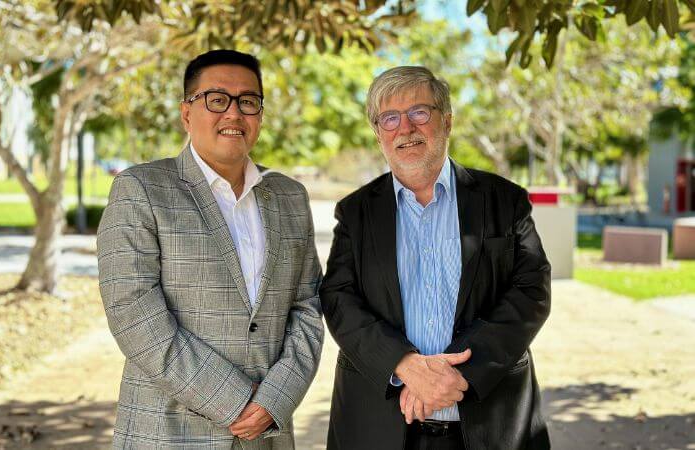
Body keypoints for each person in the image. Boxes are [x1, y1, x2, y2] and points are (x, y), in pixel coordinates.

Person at [97, 49, 324, 449]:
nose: (234, 114)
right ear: (187, 113)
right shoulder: (141, 189)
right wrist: (235, 402)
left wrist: (275, 399)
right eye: (217, 99)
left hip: (268, 433)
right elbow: (133, 314)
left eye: (248, 101)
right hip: (168, 433)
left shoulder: (290, 196)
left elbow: (307, 306)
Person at [320, 66, 552, 450]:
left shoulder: (504, 200)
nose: (405, 128)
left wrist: (460, 374)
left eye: (419, 113)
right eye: (389, 118)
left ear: (447, 122)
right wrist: (405, 365)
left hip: (492, 425)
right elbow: (339, 298)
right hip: (378, 428)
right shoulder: (356, 212)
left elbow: (531, 291)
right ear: (378, 134)